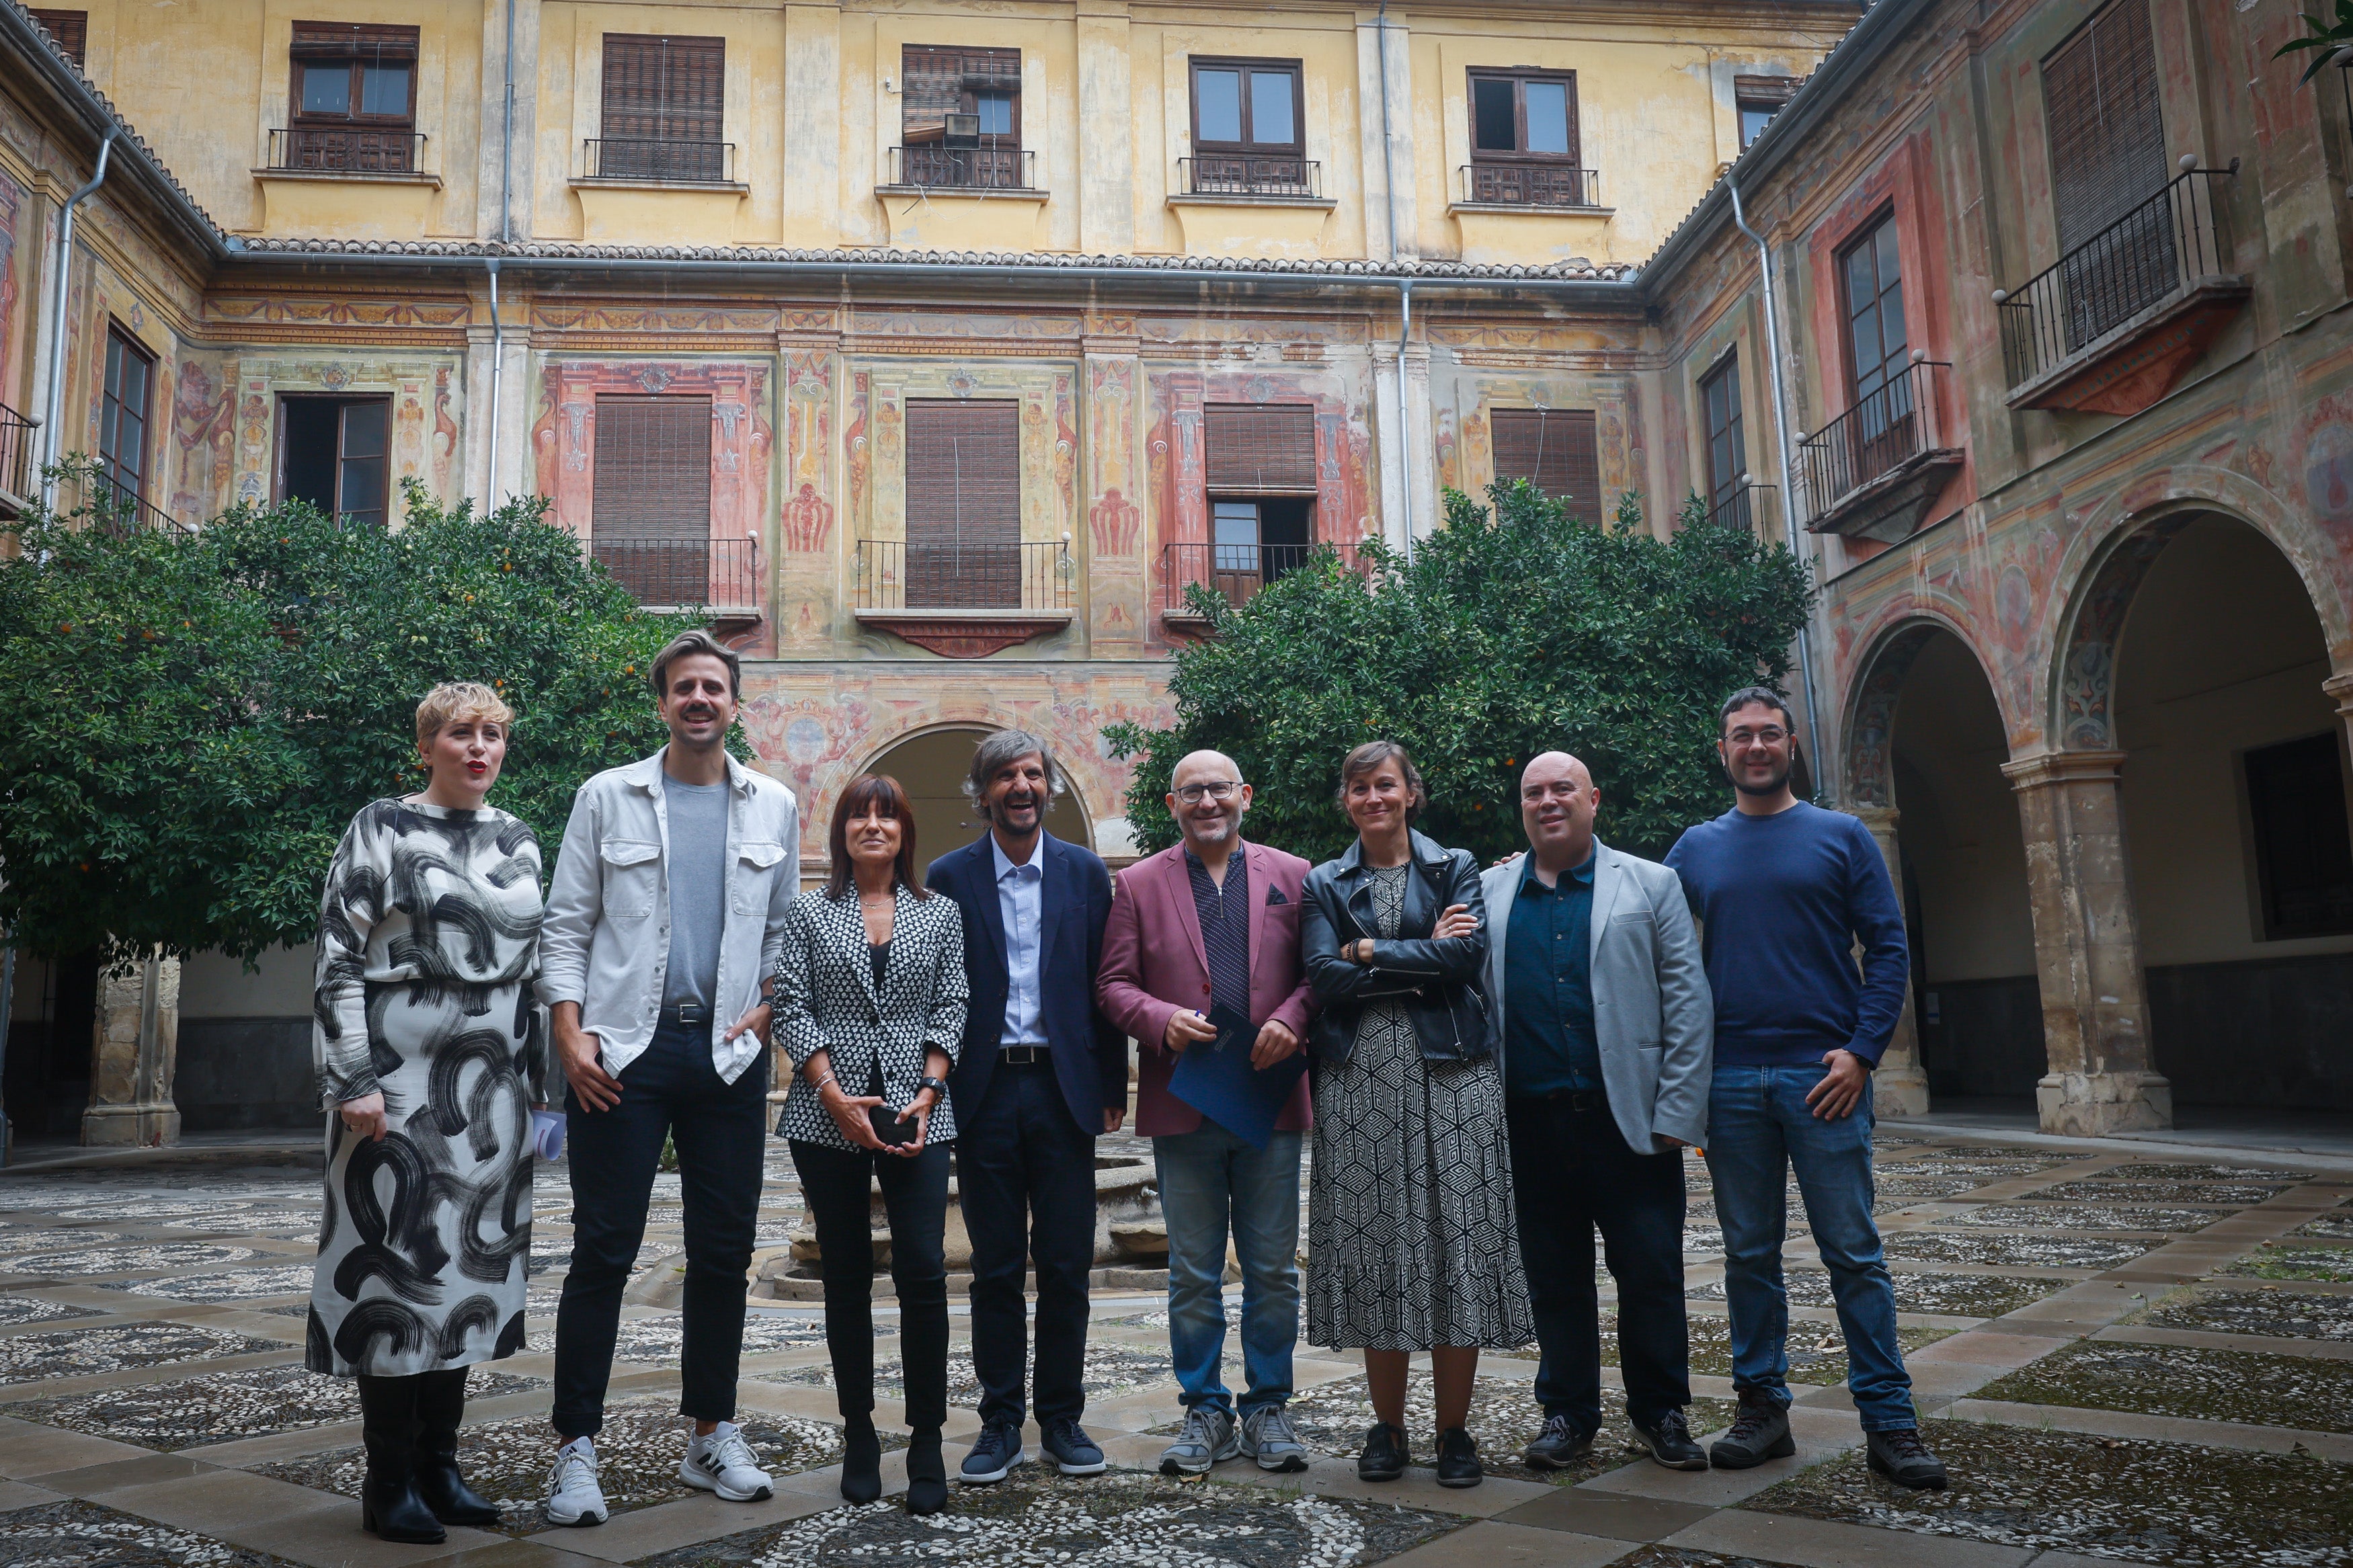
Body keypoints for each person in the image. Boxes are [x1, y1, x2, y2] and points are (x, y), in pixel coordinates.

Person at [537, 630, 801, 1525]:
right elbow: (566, 925)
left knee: (723, 1254)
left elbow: (783, 934)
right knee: (602, 1253)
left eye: (713, 688)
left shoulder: (774, 804)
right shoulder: (607, 797)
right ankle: (576, 1449)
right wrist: (569, 1038)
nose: (698, 699)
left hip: (727, 1055)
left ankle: (710, 1434)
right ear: (662, 703)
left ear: (734, 704)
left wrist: (767, 1011)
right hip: (622, 1055)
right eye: (683, 687)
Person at [1664, 688, 1947, 1490]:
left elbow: (1888, 945)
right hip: (1726, 1081)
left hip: (1823, 1077)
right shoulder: (1693, 848)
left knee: (1853, 1254)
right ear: (1720, 751)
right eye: (1739, 736)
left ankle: (1890, 1424)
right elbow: (1633, 922)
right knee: (1748, 1255)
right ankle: (1763, 1410)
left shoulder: (1841, 835)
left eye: (1767, 733)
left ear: (1790, 744)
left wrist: (1861, 1052)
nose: (1754, 746)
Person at [307, 682, 545, 1545]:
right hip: (398, 1080)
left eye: (491, 734)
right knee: (395, 1273)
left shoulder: (517, 836)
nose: (478, 747)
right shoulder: (382, 824)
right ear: (427, 745)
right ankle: (389, 1478)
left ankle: (442, 1466)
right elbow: (337, 954)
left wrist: (536, 1081)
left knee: (465, 1276)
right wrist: (353, 1077)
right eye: (459, 733)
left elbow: (535, 961)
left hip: (489, 1092)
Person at [1300, 739, 1526, 1489]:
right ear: (1346, 799)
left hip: (1454, 1074)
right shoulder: (1323, 880)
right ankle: (1387, 1426)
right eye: (1359, 787)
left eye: (1385, 784)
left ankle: (1453, 1430)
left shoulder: (1451, 864)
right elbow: (1323, 979)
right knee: (1377, 1246)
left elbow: (1462, 961)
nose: (1372, 797)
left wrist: (1367, 946)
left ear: (1409, 792)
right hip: (1358, 1079)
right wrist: (1408, 955)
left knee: (1452, 1243)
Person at [1480, 752, 1713, 1473]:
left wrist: (1678, 1109)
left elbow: (1687, 1000)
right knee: (1553, 1277)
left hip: (1630, 1123)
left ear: (1592, 799)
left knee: (1649, 1270)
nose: (1547, 801)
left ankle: (1660, 1410)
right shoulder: (1487, 891)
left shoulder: (1651, 883)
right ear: (1521, 807)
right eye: (1532, 792)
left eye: (1561, 789)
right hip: (1527, 1121)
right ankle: (1566, 1413)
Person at [1097, 749, 1316, 1478]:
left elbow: (1321, 974)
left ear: (1244, 794)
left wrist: (1292, 1016)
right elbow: (1113, 984)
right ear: (1171, 804)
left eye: (1219, 787)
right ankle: (1204, 1406)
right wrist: (1158, 1018)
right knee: (1191, 1271)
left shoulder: (1294, 875)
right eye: (1191, 791)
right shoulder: (1135, 883)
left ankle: (1268, 1406)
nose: (1207, 800)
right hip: (1185, 1096)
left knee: (1272, 1269)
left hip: (1268, 1098)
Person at [924, 730, 1125, 1485]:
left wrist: (1111, 1085)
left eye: (1032, 773)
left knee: (1067, 1262)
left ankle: (1063, 1419)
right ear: (983, 793)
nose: (1021, 785)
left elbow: (1103, 986)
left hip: (1061, 1087)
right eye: (1004, 774)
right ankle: (1001, 1420)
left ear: (1050, 788)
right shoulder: (947, 877)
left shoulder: (1083, 875)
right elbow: (933, 986)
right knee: (995, 1266)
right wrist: (935, 1087)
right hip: (982, 1090)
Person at [771, 774, 966, 1516]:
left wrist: (929, 1089)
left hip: (919, 1111)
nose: (874, 824)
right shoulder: (811, 913)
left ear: (904, 830)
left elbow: (953, 999)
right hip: (829, 1116)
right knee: (846, 1272)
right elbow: (791, 1001)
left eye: (887, 813)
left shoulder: (938, 912)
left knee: (922, 1270)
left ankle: (923, 1438)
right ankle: (858, 1431)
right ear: (842, 831)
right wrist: (828, 1090)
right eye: (860, 814)